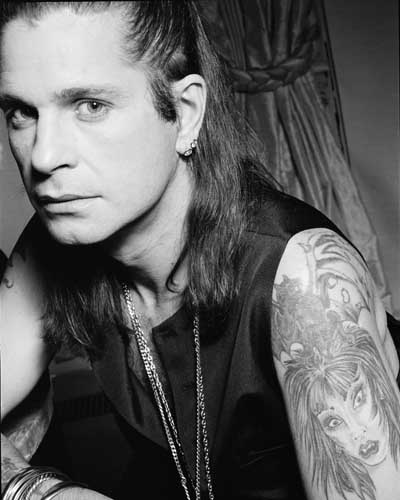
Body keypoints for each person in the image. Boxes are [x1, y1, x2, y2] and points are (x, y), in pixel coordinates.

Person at [0, 2, 399, 500]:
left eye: (90, 106)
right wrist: (38, 489)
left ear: (186, 113)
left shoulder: (304, 281)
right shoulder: (59, 238)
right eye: (21, 112)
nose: (43, 156)